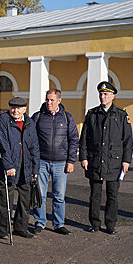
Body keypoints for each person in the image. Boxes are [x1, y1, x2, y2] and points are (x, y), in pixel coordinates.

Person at [79, 82, 133, 234]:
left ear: (113, 96)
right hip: (95, 160)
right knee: (94, 195)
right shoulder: (92, 114)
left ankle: (110, 225)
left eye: (106, 94)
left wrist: (126, 160)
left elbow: (128, 140)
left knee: (112, 195)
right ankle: (94, 223)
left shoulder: (121, 115)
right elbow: (84, 138)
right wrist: (83, 157)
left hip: (114, 161)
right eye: (101, 94)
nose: (103, 97)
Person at [32, 89, 79, 235]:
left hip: (61, 163)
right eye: (47, 99)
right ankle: (40, 222)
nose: (49, 103)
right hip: (42, 162)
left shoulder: (67, 118)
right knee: (40, 194)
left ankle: (59, 224)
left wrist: (71, 161)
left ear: (59, 100)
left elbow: (74, 140)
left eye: (52, 100)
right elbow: (31, 139)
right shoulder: (38, 116)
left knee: (59, 195)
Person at [0, 97, 40, 239]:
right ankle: (4, 229)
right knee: (5, 199)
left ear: (24, 109)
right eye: (13, 107)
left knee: (25, 200)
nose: (15, 110)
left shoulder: (30, 122)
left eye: (19, 108)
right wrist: (9, 165)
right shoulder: (3, 120)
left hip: (25, 167)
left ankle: (21, 227)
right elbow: (2, 144)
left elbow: (34, 146)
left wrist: (35, 169)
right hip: (6, 167)